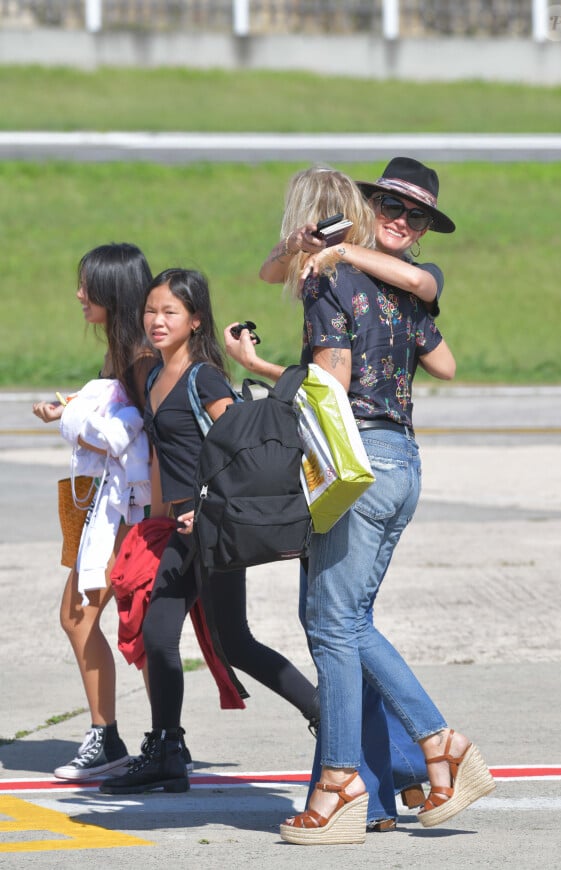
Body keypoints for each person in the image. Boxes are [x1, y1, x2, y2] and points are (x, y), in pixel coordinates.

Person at [224, 165, 494, 845]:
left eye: (417, 214)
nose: (405, 221)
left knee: (334, 622)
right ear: (364, 208)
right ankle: (380, 775)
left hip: (358, 462)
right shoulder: (391, 284)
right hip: (402, 462)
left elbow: (334, 382)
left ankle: (412, 755)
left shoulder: (330, 277)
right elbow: (444, 365)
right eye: (393, 207)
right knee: (339, 621)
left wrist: (268, 375)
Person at [99, 268, 320, 795]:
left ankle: (333, 724)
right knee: (162, 636)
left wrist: (210, 510)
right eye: (151, 311)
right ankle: (167, 750)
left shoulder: (204, 379)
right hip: (180, 528)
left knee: (234, 642)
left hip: (212, 527)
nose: (156, 320)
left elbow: (241, 450)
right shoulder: (154, 376)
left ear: (195, 320)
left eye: (169, 312)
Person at [32, 242, 157, 781]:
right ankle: (134, 736)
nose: (79, 295)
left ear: (114, 291)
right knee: (123, 625)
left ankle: (136, 738)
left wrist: (71, 417)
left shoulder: (142, 357)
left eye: (89, 286)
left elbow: (134, 438)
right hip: (111, 508)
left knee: (101, 620)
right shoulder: (123, 350)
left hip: (131, 514)